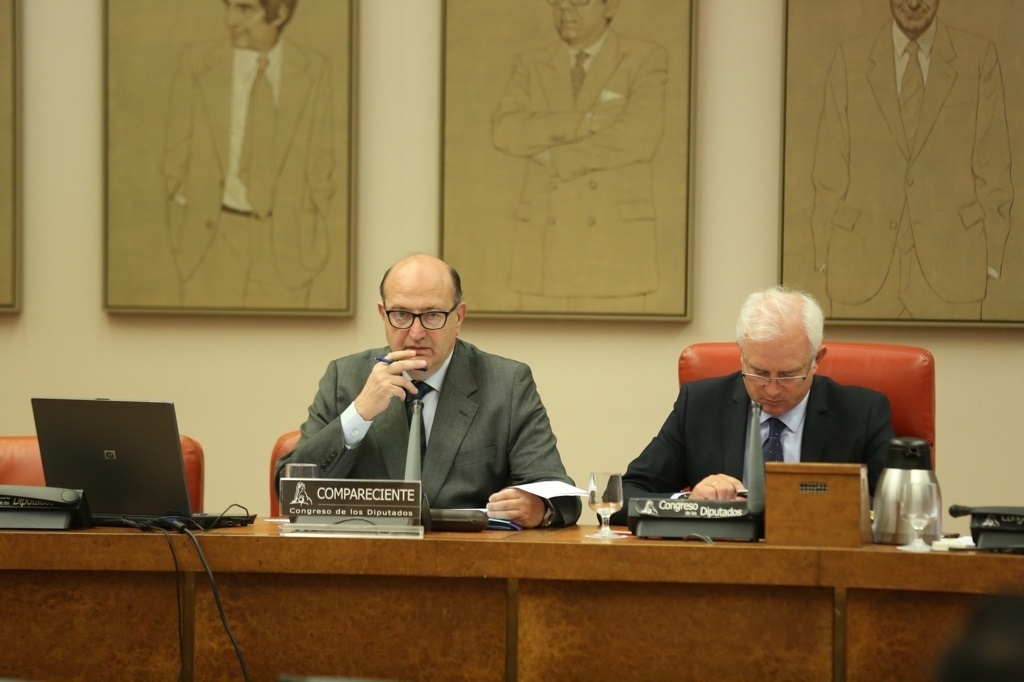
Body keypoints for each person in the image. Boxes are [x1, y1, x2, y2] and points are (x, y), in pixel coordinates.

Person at [275, 254, 582, 529]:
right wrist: (360, 412)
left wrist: (539, 508)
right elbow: (290, 489)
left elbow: (562, 495)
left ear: (459, 317)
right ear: (383, 315)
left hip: (467, 569)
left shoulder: (507, 383)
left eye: (433, 315)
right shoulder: (346, 377)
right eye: (401, 315)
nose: (416, 333)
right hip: (364, 564)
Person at [610, 286, 894, 526]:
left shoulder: (862, 413)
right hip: (722, 570)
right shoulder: (700, 405)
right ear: (742, 356)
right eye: (758, 372)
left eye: (787, 375)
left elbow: (902, 512)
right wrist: (690, 502)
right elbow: (622, 497)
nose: (771, 389)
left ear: (817, 359)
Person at [810, 0, 1012, 321]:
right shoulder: (850, 59)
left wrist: (990, 259)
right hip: (860, 269)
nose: (915, 3)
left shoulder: (979, 58)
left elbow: (995, 167)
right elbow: (829, 168)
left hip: (954, 266)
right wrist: (824, 254)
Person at [492, 0, 668, 313]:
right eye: (558, 2)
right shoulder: (532, 63)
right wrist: (582, 122)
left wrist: (555, 158)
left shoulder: (643, 57)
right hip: (541, 245)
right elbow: (506, 131)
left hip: (616, 241)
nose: (565, 10)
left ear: (610, 6)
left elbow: (639, 136)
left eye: (579, 2)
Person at [162, 0, 335, 310]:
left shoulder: (314, 70)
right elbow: (175, 150)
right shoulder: (199, 61)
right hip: (211, 239)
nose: (231, 20)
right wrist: (182, 206)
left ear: (279, 13)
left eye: (245, 9)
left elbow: (322, 159)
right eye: (228, 6)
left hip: (287, 245)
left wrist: (312, 215)